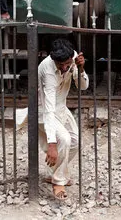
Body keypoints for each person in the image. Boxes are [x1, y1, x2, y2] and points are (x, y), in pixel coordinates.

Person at [37, 39, 88, 201]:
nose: (65, 68)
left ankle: (55, 174)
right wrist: (52, 143)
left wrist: (81, 69)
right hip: (44, 109)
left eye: (67, 64)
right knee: (64, 140)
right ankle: (58, 182)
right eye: (61, 65)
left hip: (61, 107)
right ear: (53, 60)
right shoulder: (48, 70)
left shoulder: (73, 57)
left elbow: (82, 87)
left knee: (75, 141)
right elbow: (49, 109)